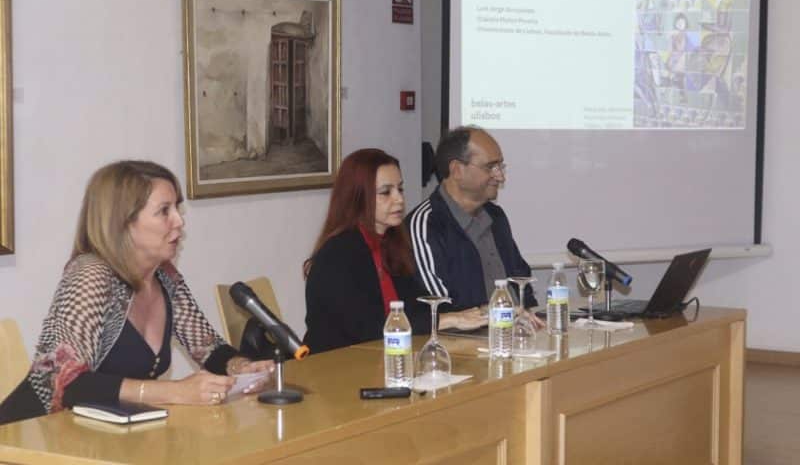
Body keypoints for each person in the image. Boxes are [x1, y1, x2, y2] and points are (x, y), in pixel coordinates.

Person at [0, 161, 274, 425]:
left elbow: (208, 348)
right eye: (164, 211)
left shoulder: (164, 276)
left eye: (177, 208)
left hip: (102, 439)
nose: (179, 221)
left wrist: (239, 367)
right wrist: (176, 391)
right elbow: (66, 382)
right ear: (124, 222)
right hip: (30, 437)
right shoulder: (91, 273)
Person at [303, 149, 485, 354]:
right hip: (337, 365)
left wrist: (482, 314)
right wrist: (445, 320)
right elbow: (368, 328)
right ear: (357, 197)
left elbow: (418, 305)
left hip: (384, 359)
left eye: (400, 189)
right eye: (386, 192)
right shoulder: (338, 254)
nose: (399, 199)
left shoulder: (390, 243)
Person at [406, 127, 538, 314]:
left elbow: (521, 277)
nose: (500, 176)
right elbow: (437, 307)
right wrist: (495, 315)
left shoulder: (496, 216)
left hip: (512, 334)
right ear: (457, 170)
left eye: (501, 166)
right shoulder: (426, 224)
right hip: (464, 340)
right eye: (490, 167)